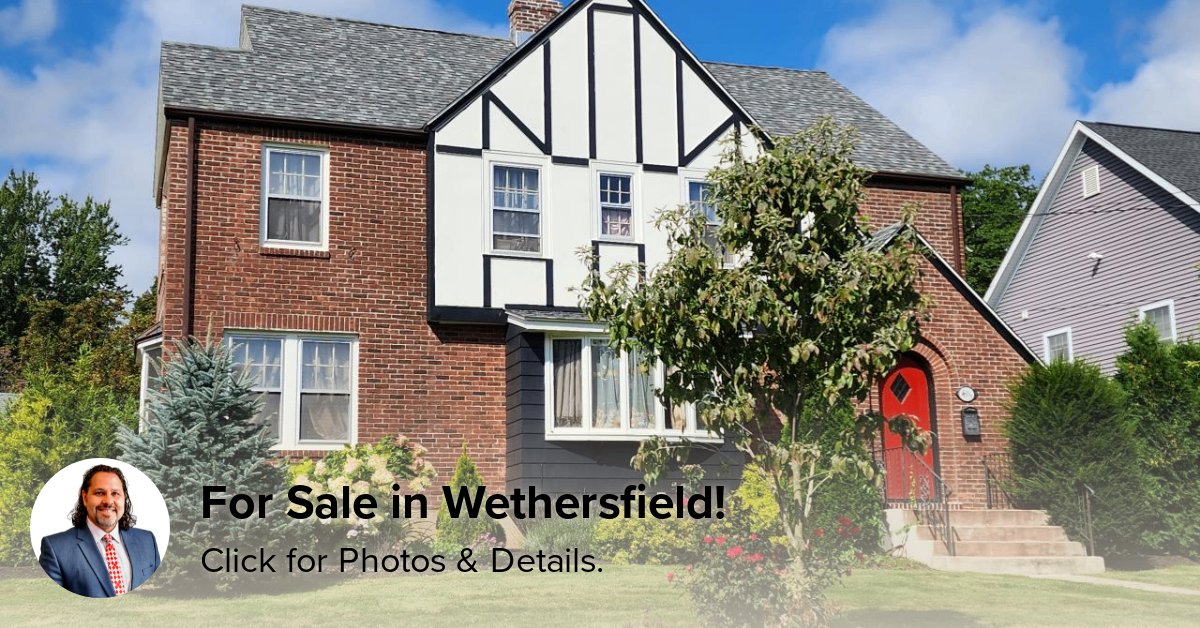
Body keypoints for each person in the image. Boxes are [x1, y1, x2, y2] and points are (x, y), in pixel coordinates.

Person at [38, 464, 161, 597]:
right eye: (99, 493)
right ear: (85, 497)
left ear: (124, 498)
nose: (108, 501)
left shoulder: (148, 541)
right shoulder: (56, 549)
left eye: (115, 493)